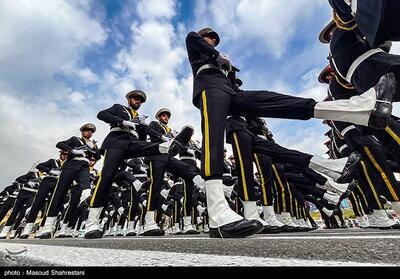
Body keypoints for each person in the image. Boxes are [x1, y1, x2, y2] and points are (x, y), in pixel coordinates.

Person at [184, 27, 390, 238]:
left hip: (231, 92)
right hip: (208, 87)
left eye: (214, 40)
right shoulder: (195, 42)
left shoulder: (224, 70)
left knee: (275, 100)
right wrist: (217, 56)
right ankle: (217, 213)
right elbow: (193, 39)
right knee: (214, 139)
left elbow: (235, 84)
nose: (212, 41)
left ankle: (358, 109)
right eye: (209, 38)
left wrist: (229, 72)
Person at [84, 90, 194, 239]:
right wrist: (123, 122)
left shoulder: (140, 117)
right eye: (136, 98)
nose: (138, 101)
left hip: (133, 143)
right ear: (129, 99)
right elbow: (101, 114)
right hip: (117, 140)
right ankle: (92, 223)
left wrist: (142, 126)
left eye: (140, 100)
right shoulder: (119, 108)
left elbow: (143, 137)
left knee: (154, 149)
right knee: (107, 176)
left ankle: (167, 146)